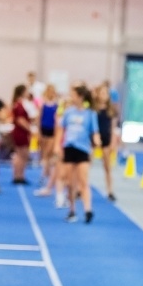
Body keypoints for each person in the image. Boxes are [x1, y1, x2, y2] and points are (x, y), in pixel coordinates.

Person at [55, 84, 100, 224]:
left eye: (73, 94)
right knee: (70, 182)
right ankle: (72, 209)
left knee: (83, 181)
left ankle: (88, 210)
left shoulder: (90, 114)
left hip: (83, 149)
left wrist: (96, 141)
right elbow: (61, 129)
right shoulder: (68, 112)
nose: (71, 97)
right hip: (69, 147)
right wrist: (57, 145)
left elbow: (95, 131)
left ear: (80, 97)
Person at [94, 83, 117, 201]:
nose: (104, 95)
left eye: (106, 93)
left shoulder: (111, 109)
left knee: (107, 166)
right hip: (94, 138)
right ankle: (79, 189)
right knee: (85, 164)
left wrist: (113, 141)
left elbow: (113, 127)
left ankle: (110, 190)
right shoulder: (93, 108)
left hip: (106, 138)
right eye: (102, 93)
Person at [10, 84, 32, 185]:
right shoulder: (19, 104)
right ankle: (18, 175)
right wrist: (29, 128)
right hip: (21, 131)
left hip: (21, 131)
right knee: (21, 154)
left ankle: (20, 175)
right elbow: (20, 119)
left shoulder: (19, 103)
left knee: (22, 154)